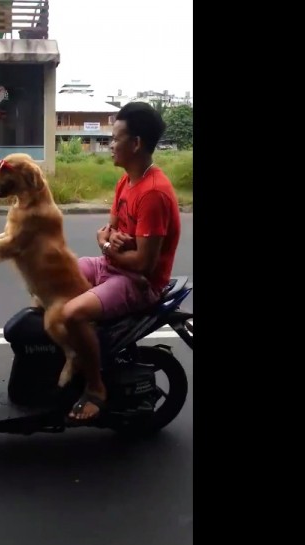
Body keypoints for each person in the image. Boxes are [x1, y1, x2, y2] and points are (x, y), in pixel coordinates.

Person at [62, 102, 182, 424]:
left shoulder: (153, 193)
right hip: (114, 267)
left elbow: (143, 263)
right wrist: (107, 242)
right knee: (53, 279)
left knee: (72, 313)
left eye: (115, 138)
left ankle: (96, 388)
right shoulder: (126, 181)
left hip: (139, 284)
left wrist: (110, 249)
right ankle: (75, 355)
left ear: (136, 143)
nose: (110, 145)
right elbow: (107, 231)